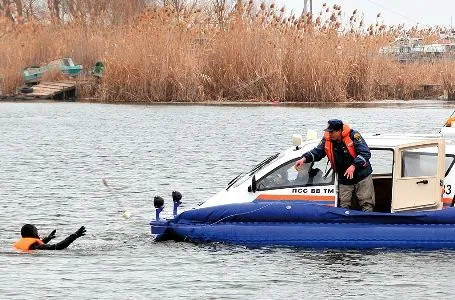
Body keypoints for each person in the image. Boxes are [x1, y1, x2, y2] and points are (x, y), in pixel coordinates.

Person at [294, 119, 375, 212]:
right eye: (328, 132)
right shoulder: (327, 140)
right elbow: (318, 151)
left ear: (339, 131)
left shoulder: (354, 136)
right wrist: (304, 159)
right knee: (344, 204)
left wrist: (353, 166)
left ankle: (367, 222)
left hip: (362, 175)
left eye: (332, 132)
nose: (330, 134)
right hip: (344, 177)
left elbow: (365, 153)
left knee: (366, 203)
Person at [13, 224, 86, 251]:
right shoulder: (35, 246)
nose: (39, 236)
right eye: (37, 233)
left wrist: (47, 239)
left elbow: (38, 245)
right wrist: (75, 235)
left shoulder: (20, 243)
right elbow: (57, 247)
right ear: (33, 235)